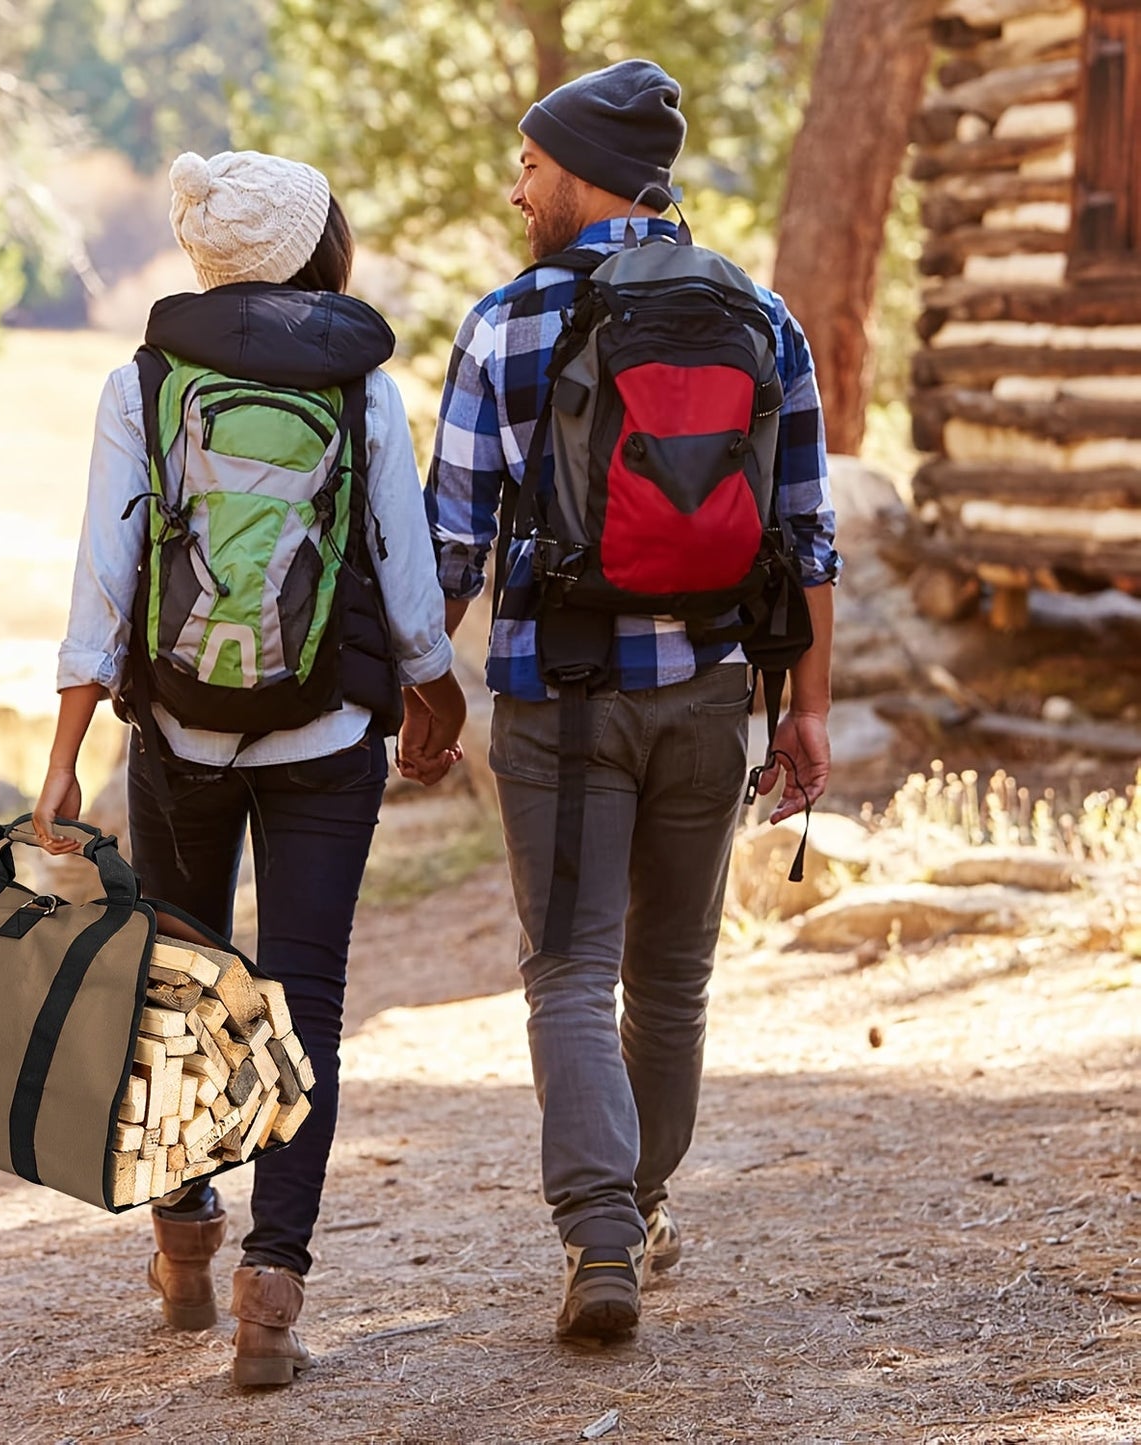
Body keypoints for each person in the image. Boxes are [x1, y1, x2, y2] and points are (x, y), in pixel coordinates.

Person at [422, 60, 840, 1343]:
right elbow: (808, 537)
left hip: (557, 697)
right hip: (711, 695)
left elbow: (447, 541)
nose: (515, 188)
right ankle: (641, 1210)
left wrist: (421, 689)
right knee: (671, 978)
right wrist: (806, 711)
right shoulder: (760, 316)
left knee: (567, 972)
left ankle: (598, 1235)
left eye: (531, 165)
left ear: (584, 171)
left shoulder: (505, 321)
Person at [34, 149, 465, 1387]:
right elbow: (401, 566)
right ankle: (270, 1288)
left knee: (183, 983)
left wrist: (62, 761)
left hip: (174, 730)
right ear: (315, 249)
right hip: (327, 734)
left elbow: (100, 582)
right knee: (304, 997)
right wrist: (435, 696)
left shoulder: (146, 381)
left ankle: (181, 1228)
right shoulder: (359, 386)